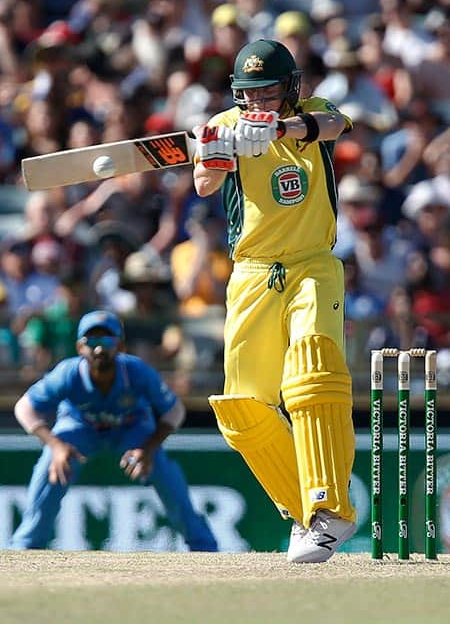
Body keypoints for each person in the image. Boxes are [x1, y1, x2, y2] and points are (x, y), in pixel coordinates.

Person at [193, 38, 357, 563]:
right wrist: (219, 152)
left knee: (313, 371)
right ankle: (300, 510)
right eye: (249, 94)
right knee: (242, 409)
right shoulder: (223, 123)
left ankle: (331, 512)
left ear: (291, 89)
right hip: (252, 274)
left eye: (268, 91)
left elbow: (335, 126)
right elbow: (202, 184)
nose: (258, 101)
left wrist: (279, 130)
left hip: (313, 263)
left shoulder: (314, 114)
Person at [10, 310, 218, 552]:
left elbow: (175, 411)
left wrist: (149, 449)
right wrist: (55, 445)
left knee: (164, 472)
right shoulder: (68, 373)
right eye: (92, 341)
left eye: (107, 341)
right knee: (52, 466)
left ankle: (204, 548)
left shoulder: (136, 371)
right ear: (79, 347)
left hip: (132, 429)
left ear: (120, 346)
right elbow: (24, 408)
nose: (99, 349)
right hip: (79, 427)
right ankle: (26, 546)